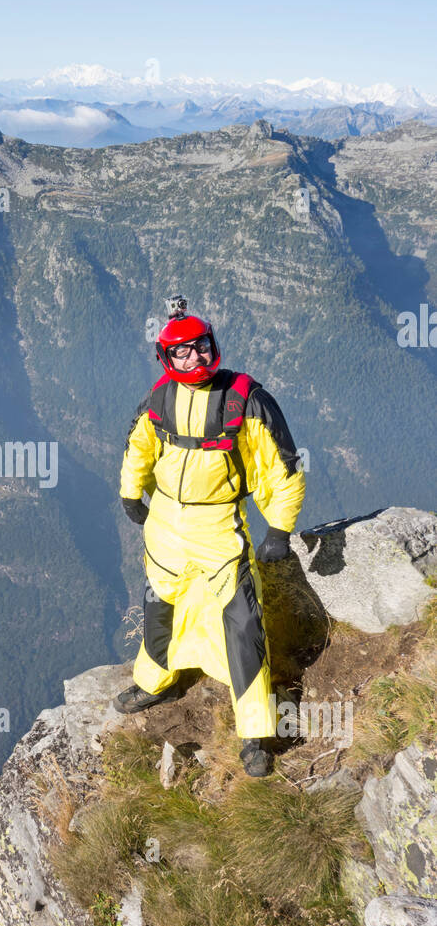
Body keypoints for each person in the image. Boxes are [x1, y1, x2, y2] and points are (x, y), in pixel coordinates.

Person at [115, 296, 306, 777]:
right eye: (182, 352)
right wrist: (131, 492)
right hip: (164, 527)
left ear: (212, 344)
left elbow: (281, 467)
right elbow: (139, 444)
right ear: (166, 357)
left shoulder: (246, 398)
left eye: (200, 347)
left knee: (243, 623)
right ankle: (155, 680)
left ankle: (256, 734)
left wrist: (279, 529)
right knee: (159, 607)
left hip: (218, 527)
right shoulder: (159, 398)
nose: (194, 357)